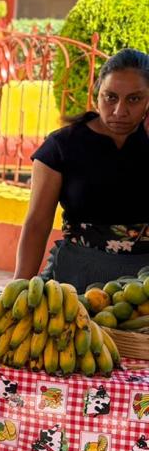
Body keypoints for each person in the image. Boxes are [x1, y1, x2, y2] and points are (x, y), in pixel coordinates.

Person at [15, 48, 149, 291]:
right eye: (110, 97)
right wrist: (19, 290)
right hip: (75, 277)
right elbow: (37, 225)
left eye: (134, 99)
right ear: (97, 94)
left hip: (144, 283)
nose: (119, 111)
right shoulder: (61, 146)